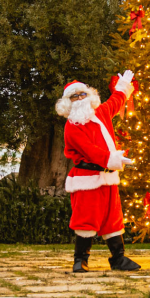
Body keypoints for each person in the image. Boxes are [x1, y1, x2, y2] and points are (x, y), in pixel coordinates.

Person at [56, 71, 138, 273]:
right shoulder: (71, 127)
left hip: (108, 177)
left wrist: (124, 84)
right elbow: (90, 152)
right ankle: (80, 259)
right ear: (68, 102)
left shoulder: (100, 113)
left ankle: (118, 259)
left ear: (89, 95)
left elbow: (116, 101)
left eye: (82, 94)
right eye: (74, 97)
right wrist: (115, 160)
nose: (79, 99)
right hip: (86, 178)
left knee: (113, 218)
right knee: (86, 218)